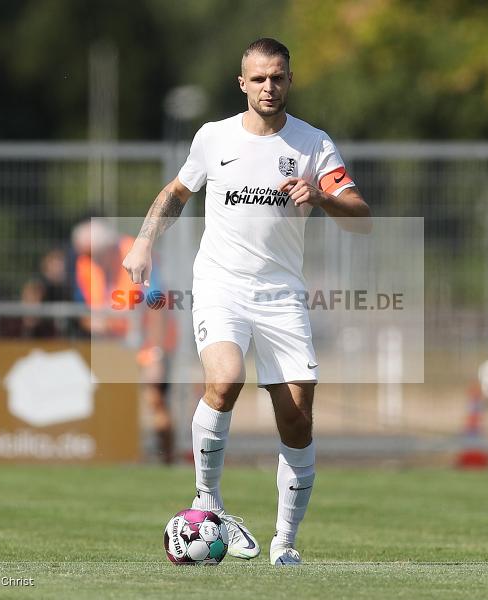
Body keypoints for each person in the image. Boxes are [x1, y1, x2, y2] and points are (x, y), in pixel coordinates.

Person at [123, 38, 371, 566]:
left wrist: (322, 197)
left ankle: (285, 543)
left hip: (282, 295)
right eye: (258, 78)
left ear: (289, 80)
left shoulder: (313, 144)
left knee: (297, 420)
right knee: (226, 378)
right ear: (243, 83)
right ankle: (207, 501)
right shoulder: (213, 138)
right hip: (220, 285)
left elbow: (361, 214)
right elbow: (175, 193)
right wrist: (144, 241)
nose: (268, 87)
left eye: (277, 77)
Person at [72, 219, 178, 464]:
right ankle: (114, 457)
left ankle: (168, 460)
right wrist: (97, 323)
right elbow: (80, 312)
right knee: (110, 401)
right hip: (113, 346)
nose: (91, 260)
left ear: (108, 249)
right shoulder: (85, 266)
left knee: (155, 398)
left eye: (94, 254)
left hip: (148, 343)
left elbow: (157, 305)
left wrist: (157, 353)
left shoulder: (137, 256)